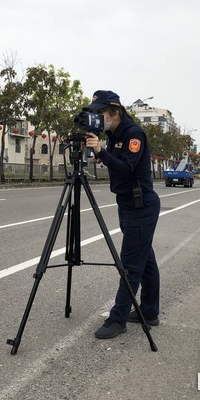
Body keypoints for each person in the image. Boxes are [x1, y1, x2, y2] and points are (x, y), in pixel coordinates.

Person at [84, 90, 161, 339]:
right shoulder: (114, 134)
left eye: (100, 113)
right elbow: (117, 164)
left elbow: (127, 169)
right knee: (145, 260)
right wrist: (102, 153)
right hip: (128, 204)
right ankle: (148, 312)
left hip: (141, 206)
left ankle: (118, 319)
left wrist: (102, 152)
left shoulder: (133, 133)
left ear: (115, 113)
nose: (97, 118)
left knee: (130, 265)